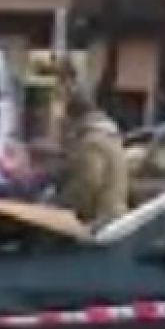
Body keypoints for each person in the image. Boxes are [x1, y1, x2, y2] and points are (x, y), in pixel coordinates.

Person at [55, 89, 130, 226]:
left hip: (99, 221)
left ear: (74, 117)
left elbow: (87, 183)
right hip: (114, 216)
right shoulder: (110, 138)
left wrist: (63, 206)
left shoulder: (91, 143)